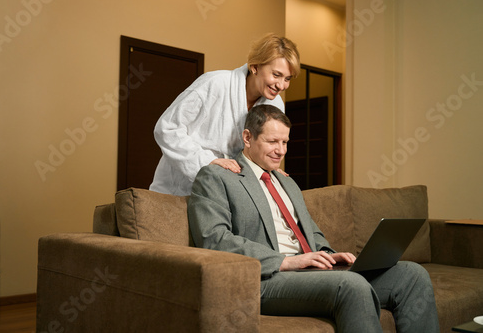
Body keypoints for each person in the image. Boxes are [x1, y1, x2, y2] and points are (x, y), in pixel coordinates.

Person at [187, 105, 439, 333]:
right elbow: (214, 240)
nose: (281, 151)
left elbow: (309, 231)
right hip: (266, 279)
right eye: (273, 141)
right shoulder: (217, 176)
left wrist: (329, 254)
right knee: (350, 285)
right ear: (247, 137)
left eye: (285, 142)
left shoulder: (286, 181)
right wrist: (286, 261)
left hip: (308, 273)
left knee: (412, 275)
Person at [150, 33, 300, 196]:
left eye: (287, 78)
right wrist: (207, 162)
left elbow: (260, 148)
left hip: (226, 193)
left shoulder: (275, 105)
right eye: (276, 75)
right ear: (255, 66)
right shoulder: (214, 84)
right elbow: (167, 129)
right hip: (179, 189)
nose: (281, 85)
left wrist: (270, 168)